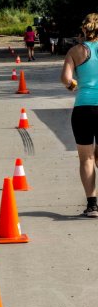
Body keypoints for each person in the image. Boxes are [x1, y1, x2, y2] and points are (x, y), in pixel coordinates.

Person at [61, 13, 98, 217]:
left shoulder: (75, 51)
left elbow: (66, 79)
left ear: (84, 29)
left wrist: (73, 84)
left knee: (87, 158)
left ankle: (92, 205)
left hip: (84, 108)